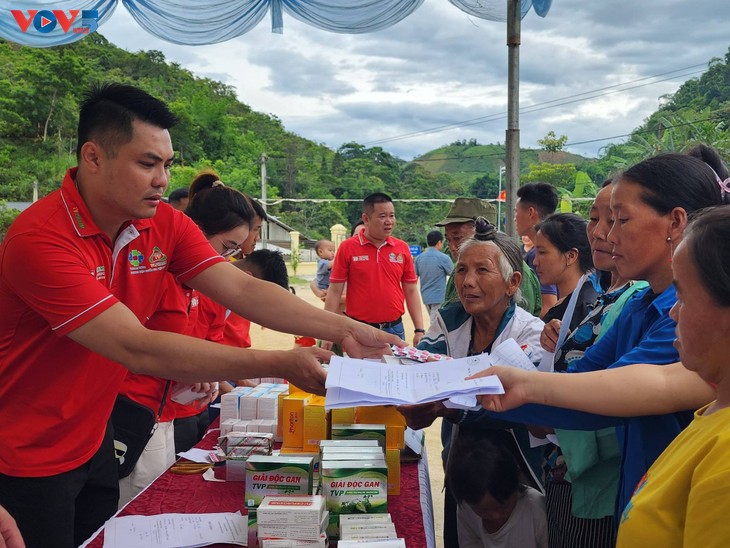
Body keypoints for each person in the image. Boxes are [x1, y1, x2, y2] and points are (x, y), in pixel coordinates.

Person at [0, 83, 400, 548]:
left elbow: (241, 288)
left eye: (167, 165)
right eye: (146, 163)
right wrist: (281, 362)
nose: (162, 180)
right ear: (93, 157)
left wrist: (349, 329)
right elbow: (138, 347)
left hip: (94, 437)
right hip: (27, 458)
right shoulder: (41, 241)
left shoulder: (161, 223)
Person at [469, 153, 725, 521]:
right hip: (638, 497)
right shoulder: (638, 303)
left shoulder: (685, 317)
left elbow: (636, 387)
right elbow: (584, 386)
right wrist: (480, 391)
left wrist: (504, 390)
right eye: (601, 220)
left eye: (620, 220)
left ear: (676, 222)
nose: (605, 235)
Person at [397, 218, 545, 548]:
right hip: (464, 465)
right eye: (462, 270)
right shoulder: (449, 320)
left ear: (512, 283)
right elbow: (423, 366)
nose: (467, 281)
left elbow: (515, 400)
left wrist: (445, 406)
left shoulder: (529, 332)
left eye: (482, 271)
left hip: (518, 473)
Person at [323, 192, 426, 345]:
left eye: (392, 216)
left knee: (394, 369)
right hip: (358, 329)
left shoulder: (402, 248)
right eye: (382, 216)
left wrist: (419, 330)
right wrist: (327, 332)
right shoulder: (348, 248)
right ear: (366, 219)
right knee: (359, 369)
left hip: (394, 329)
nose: (389, 221)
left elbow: (410, 290)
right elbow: (335, 291)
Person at [437, 197, 541, 317]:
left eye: (458, 238)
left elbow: (520, 325)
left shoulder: (514, 269)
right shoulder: (458, 271)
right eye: (448, 239)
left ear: (485, 232)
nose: (452, 247)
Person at [448, 435, 548, 548]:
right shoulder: (467, 506)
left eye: (503, 506)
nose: (495, 515)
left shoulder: (537, 511)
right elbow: (470, 543)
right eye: (483, 511)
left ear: (515, 486)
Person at [533, 212, 598, 366]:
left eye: (542, 252)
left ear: (571, 256)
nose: (535, 261)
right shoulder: (572, 300)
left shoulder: (584, 306)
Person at [514, 183, 560, 317]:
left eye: (516, 212)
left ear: (530, 213)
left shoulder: (538, 255)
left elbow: (548, 306)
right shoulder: (556, 247)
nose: (515, 218)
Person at [414, 230, 453, 326]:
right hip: (439, 297)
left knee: (435, 321)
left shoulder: (419, 258)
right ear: (439, 242)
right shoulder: (443, 258)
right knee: (435, 324)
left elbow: (414, 278)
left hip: (426, 297)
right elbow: (454, 275)